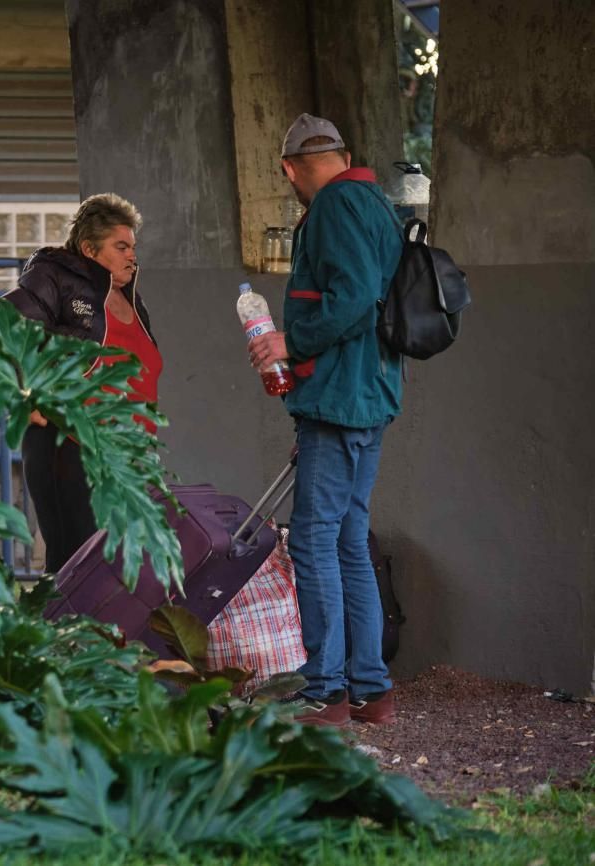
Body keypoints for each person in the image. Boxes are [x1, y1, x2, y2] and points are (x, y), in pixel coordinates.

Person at [247, 114, 403, 727]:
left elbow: (355, 298)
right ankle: (369, 689)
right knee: (348, 541)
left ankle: (325, 690)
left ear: (290, 169)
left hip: (338, 401)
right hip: (372, 396)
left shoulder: (335, 206)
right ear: (342, 153)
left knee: (313, 541)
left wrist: (290, 341)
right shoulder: (376, 203)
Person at [3, 193, 162, 574]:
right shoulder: (54, 279)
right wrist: (27, 391)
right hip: (70, 448)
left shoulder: (131, 302)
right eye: (120, 247)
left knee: (122, 574)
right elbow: (4, 325)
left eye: (133, 247)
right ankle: (64, 636)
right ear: (90, 249)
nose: (131, 256)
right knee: (77, 573)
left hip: (127, 459)